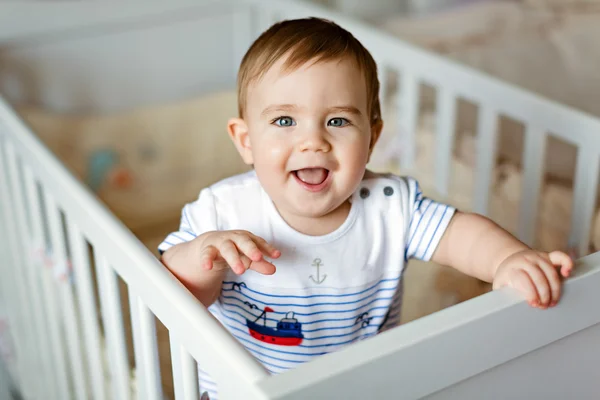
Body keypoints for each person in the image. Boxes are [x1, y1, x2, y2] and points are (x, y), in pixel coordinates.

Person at [158, 17, 573, 397]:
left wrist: (507, 259)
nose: (313, 141)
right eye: (285, 121)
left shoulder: (390, 208)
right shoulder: (222, 211)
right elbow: (173, 290)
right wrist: (202, 257)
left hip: (361, 387)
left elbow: (459, 233)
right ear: (246, 141)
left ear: (372, 139)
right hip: (244, 391)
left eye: (337, 121)